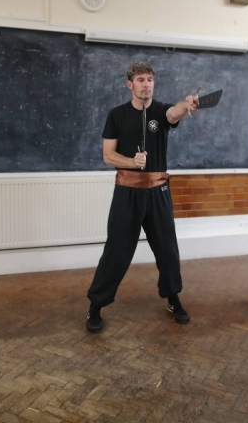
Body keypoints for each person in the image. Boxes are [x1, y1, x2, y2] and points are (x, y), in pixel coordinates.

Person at [85, 61, 198, 332]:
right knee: (116, 252)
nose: (146, 84)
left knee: (167, 250)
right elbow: (107, 155)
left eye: (149, 79)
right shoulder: (117, 115)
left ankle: (173, 298)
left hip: (158, 192)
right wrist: (131, 161)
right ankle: (95, 307)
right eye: (140, 80)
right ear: (130, 84)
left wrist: (188, 103)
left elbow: (175, 113)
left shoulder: (161, 110)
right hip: (128, 192)